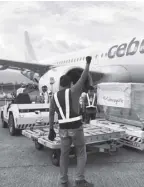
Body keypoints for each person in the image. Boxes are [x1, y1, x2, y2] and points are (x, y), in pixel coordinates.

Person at [48, 56, 93, 187]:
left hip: (63, 129)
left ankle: (63, 181)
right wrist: (88, 63)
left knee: (64, 155)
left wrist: (51, 129)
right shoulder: (74, 90)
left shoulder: (54, 97)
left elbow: (51, 114)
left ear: (60, 84)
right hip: (76, 128)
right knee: (80, 152)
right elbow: (84, 76)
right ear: (70, 84)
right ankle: (79, 180)